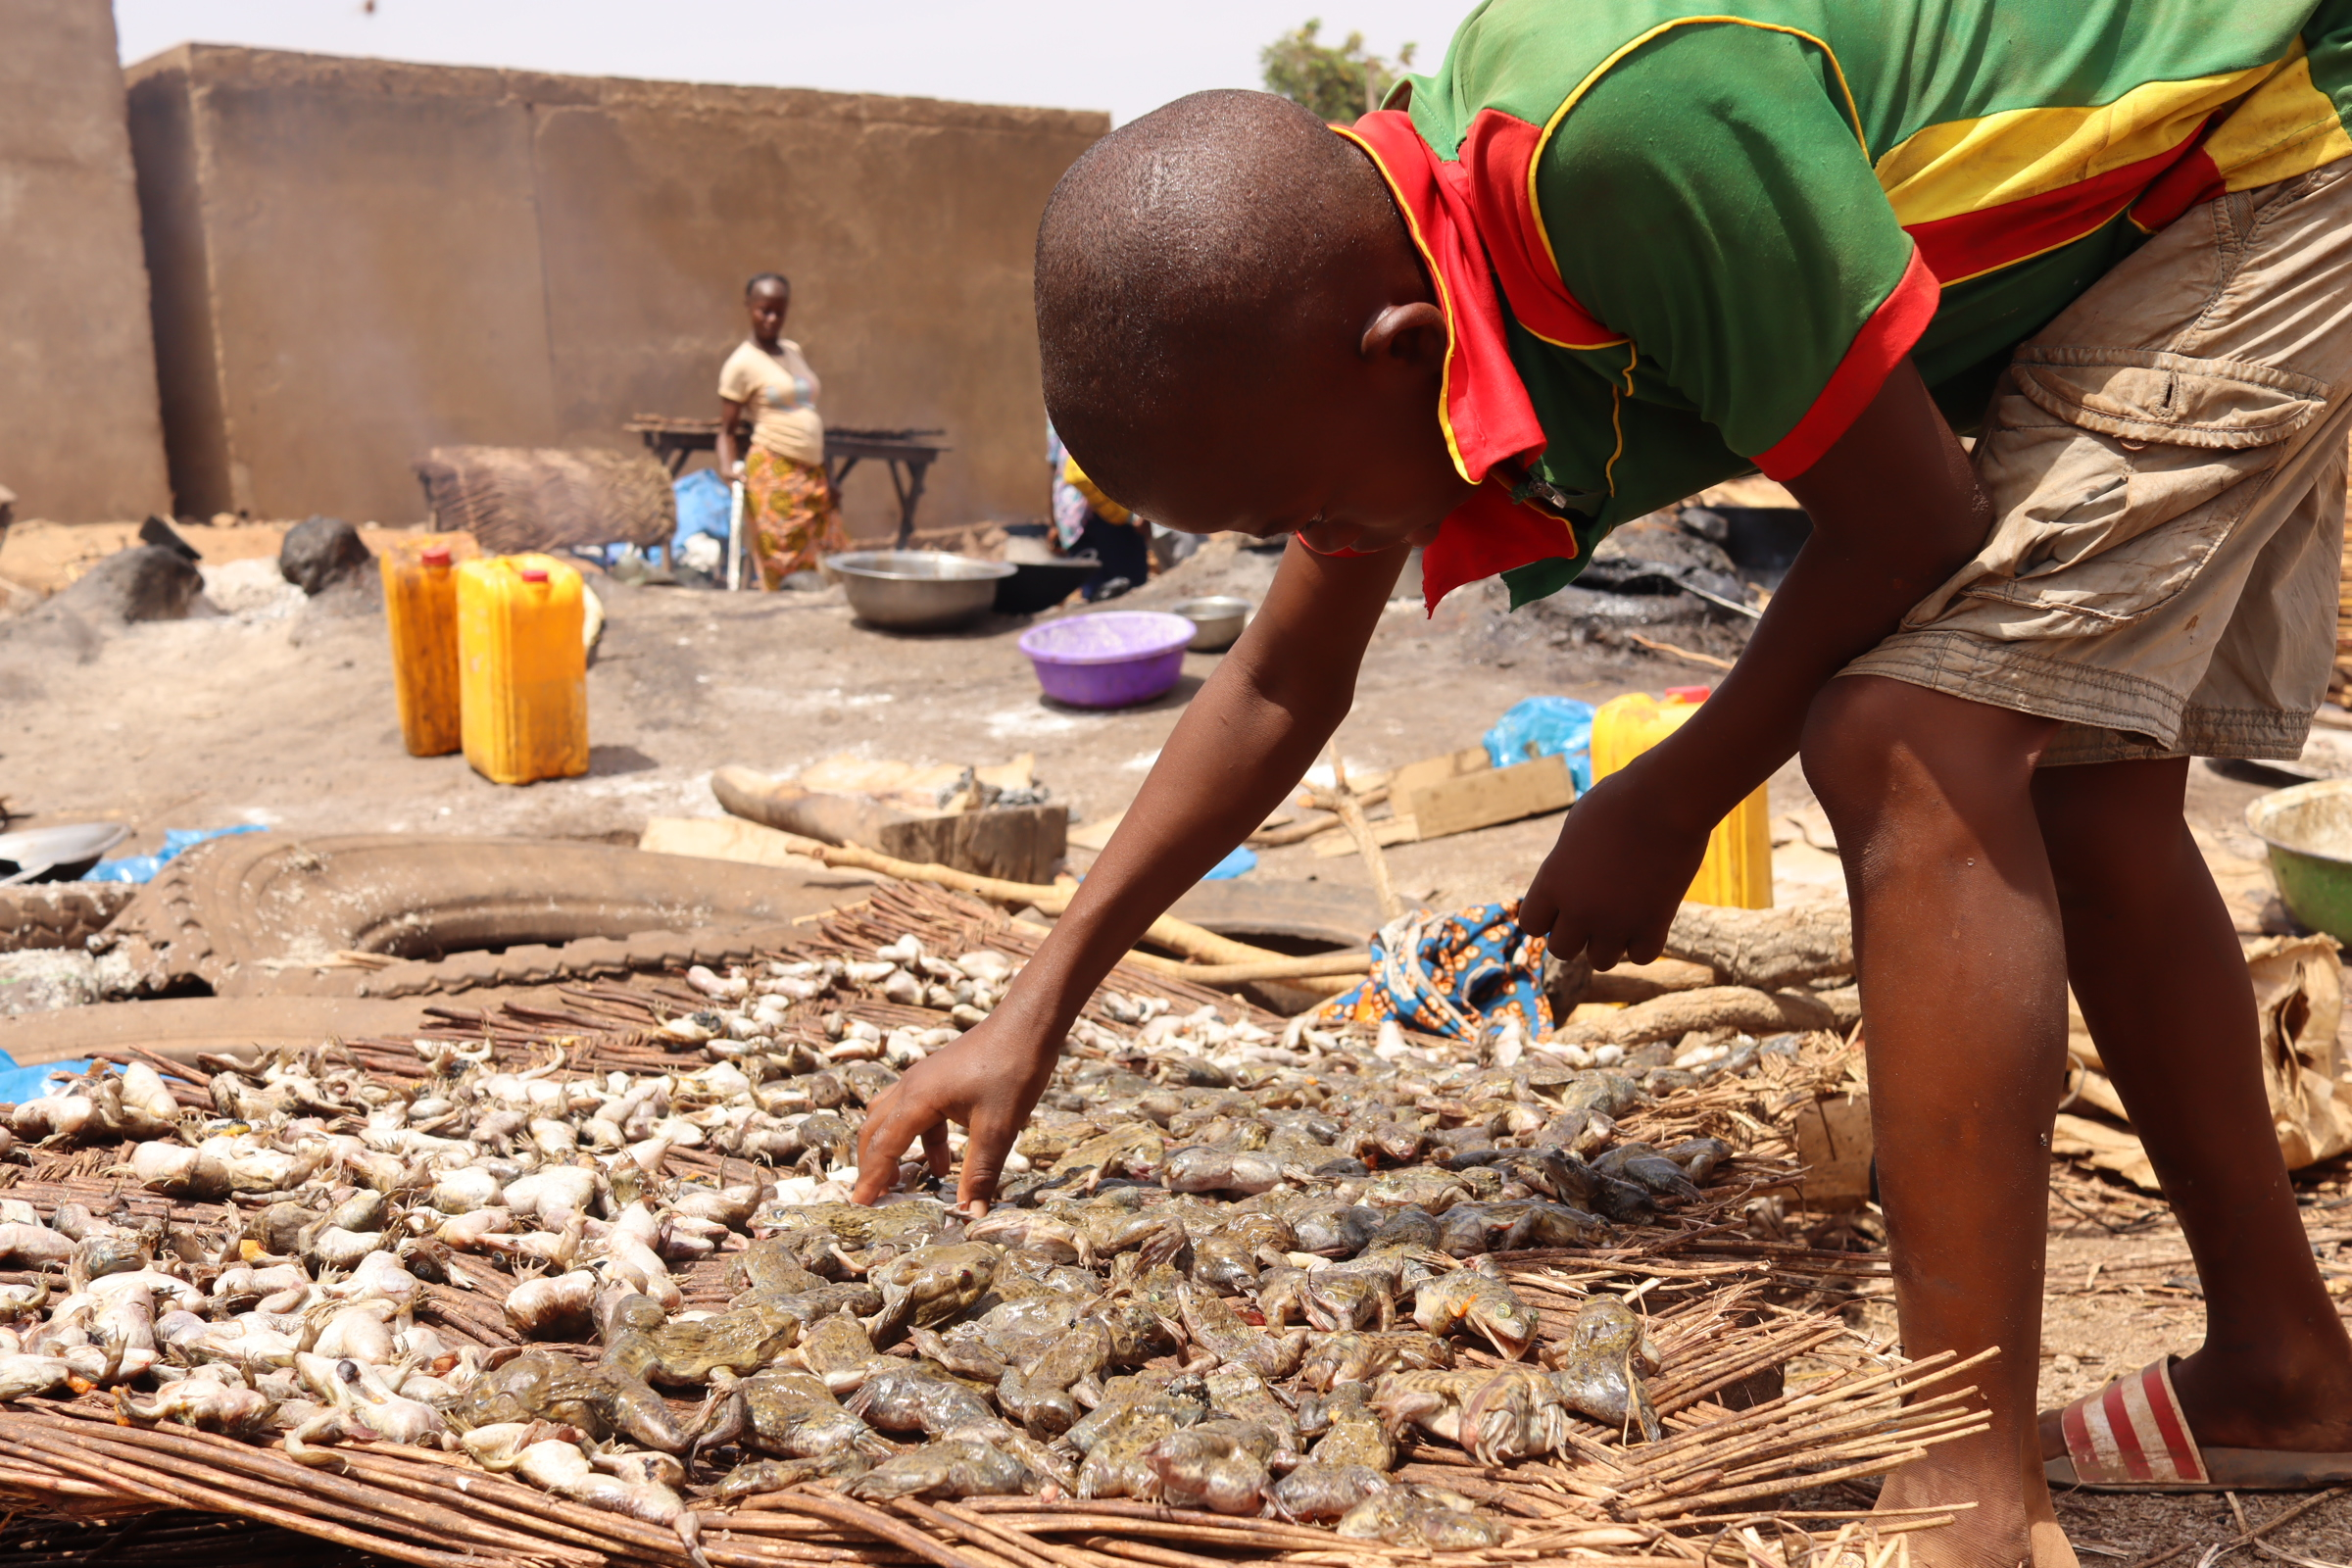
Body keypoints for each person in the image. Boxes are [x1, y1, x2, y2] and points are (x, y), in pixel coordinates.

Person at [853, 7, 2352, 1564]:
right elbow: (1279, 678)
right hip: (2139, 202)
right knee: (2083, 792)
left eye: (1310, 508)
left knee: (1908, 735)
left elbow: (1913, 518)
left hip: (2265, 145)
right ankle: (2287, 1373)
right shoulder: (1371, 261)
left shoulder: (1633, 146)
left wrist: (1675, 791)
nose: (1332, 541)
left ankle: (1963, 1494)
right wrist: (1035, 1004)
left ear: (1402, 356)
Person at [715, 272, 847, 589]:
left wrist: (829, 475)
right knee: (784, 558)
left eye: (779, 310)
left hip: (813, 473)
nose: (772, 318)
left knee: (823, 555)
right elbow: (727, 430)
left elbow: (809, 414)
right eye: (764, 310)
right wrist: (726, 468)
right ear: (748, 307)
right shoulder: (741, 363)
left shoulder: (792, 351)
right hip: (775, 472)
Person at [1048, 423, 1151, 599]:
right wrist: (1146, 510)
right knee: (1134, 594)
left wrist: (1054, 522)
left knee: (1095, 596)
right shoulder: (1115, 398)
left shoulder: (1053, 400)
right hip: (1114, 505)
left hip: (1071, 513)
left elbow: (1054, 463)